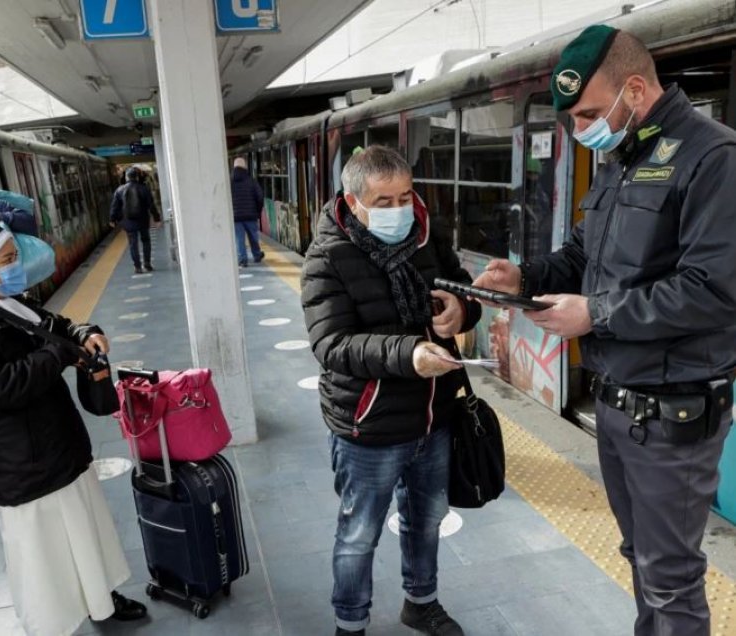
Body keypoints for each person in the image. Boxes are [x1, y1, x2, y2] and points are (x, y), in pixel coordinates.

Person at [473, 25, 736, 636]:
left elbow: (714, 288)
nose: (580, 129)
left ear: (636, 89)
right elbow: (582, 258)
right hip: (619, 409)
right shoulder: (622, 161)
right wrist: (525, 276)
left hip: (673, 414)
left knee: (670, 579)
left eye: (590, 113)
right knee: (639, 560)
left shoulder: (713, 157)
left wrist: (596, 313)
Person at [0, 221, 147, 635]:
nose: (14, 268)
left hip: (59, 446)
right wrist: (58, 356)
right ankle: (53, 623)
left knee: (84, 530)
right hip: (24, 463)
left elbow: (56, 326)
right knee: (46, 555)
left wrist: (84, 333)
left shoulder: (8, 304)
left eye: (13, 259)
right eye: (6, 261)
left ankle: (100, 600)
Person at [301, 145, 482, 636]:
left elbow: (462, 287)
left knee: (426, 520)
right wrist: (408, 355)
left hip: (434, 414)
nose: (399, 209)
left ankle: (420, 602)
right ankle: (350, 623)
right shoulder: (327, 256)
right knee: (359, 534)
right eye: (384, 201)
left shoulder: (427, 234)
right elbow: (331, 343)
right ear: (354, 201)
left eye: (405, 195)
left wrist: (461, 311)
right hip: (369, 424)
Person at [110, 166, 161, 273]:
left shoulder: (119, 190)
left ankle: (137, 267)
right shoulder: (144, 188)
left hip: (128, 221)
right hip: (143, 220)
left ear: (126, 178)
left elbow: (114, 207)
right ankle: (147, 263)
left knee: (133, 243)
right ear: (137, 177)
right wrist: (157, 218)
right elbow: (151, 205)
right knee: (146, 241)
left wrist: (112, 219)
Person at [230, 157, 264, 267]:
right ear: (245, 167)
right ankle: (257, 255)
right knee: (253, 237)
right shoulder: (251, 181)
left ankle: (242, 260)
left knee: (239, 239)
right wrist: (257, 211)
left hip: (236, 216)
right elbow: (260, 197)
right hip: (250, 215)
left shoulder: (229, 182)